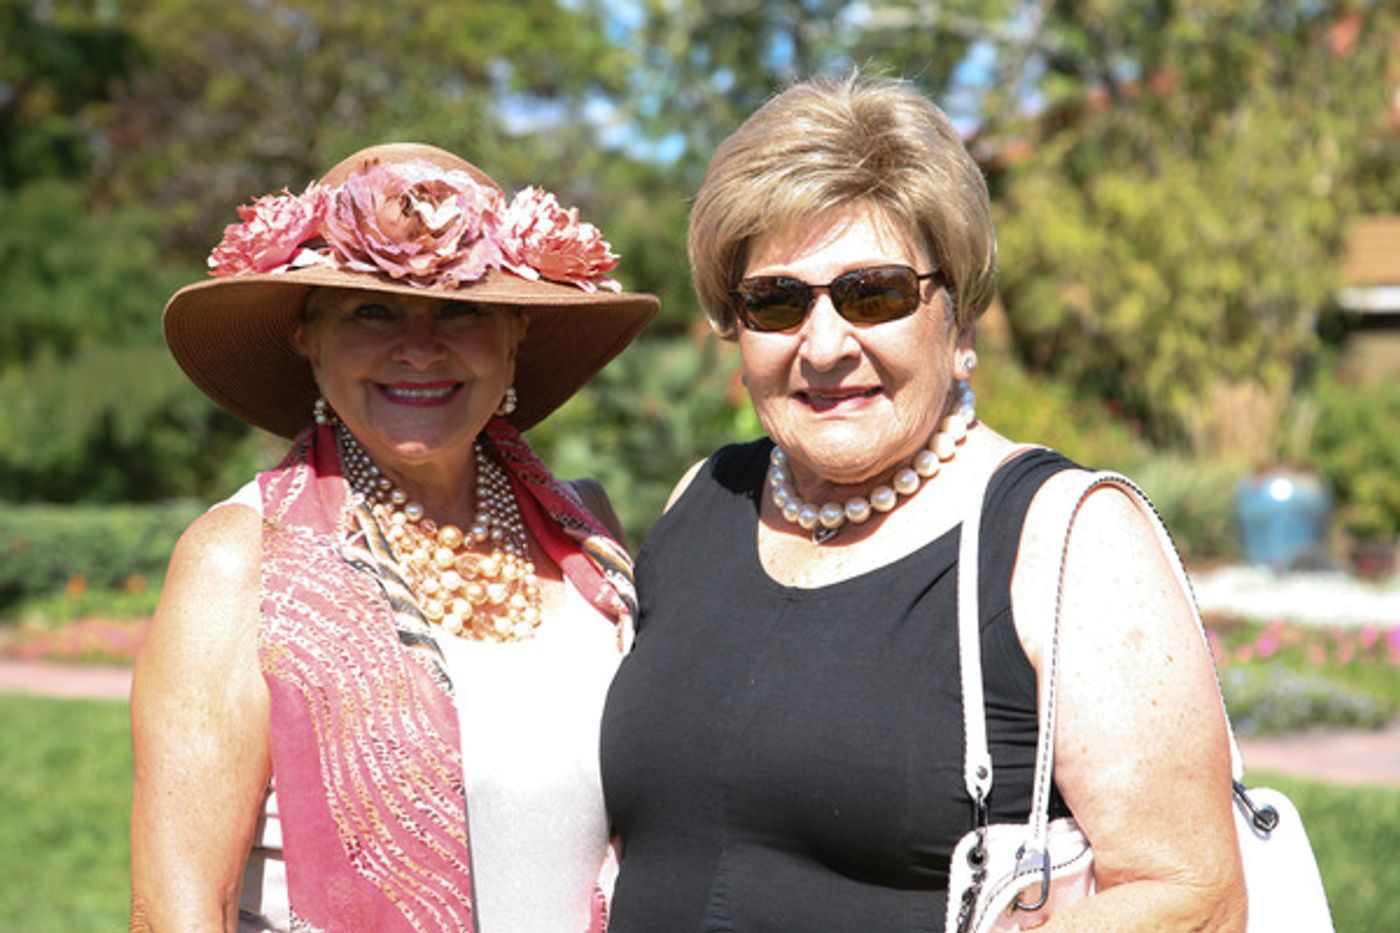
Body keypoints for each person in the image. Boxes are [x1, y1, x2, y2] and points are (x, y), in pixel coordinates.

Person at [600, 73, 1247, 931]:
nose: (825, 344)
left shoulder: (1065, 540)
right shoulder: (703, 499)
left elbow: (1192, 896)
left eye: (876, 294)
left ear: (961, 323)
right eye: (777, 302)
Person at [130, 143, 657, 932]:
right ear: (308, 340)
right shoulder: (239, 560)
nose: (419, 346)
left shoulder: (586, 540)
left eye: (460, 307)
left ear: (516, 334)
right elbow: (174, 913)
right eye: (371, 310)